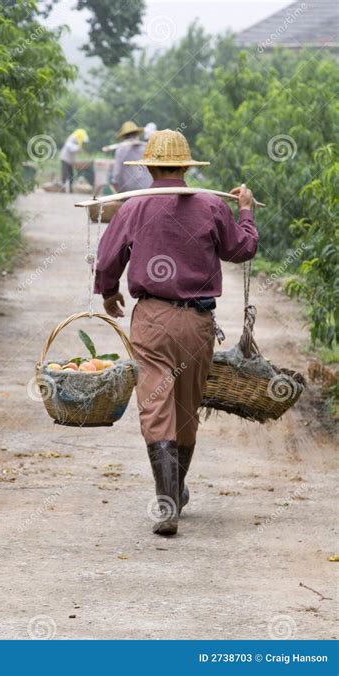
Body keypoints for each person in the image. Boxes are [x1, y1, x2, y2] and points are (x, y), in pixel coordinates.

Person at [94, 129, 258, 536]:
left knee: (155, 404)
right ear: (186, 167)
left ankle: (168, 501)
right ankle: (176, 490)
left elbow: (106, 258)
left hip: (151, 319)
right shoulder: (209, 204)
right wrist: (246, 211)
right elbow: (241, 250)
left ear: (149, 166)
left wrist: (110, 292)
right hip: (198, 321)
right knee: (186, 409)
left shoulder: (134, 207)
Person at [111, 121, 152, 192]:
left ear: (124, 136)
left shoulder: (120, 149)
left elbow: (116, 173)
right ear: (136, 134)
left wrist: (116, 187)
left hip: (128, 190)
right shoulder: (146, 147)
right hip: (146, 187)